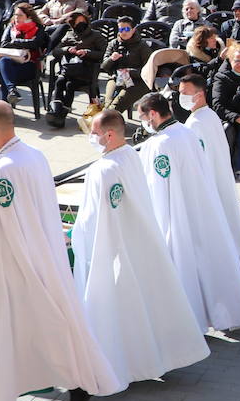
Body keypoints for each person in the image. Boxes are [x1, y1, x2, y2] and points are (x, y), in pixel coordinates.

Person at [0, 101, 124, 401]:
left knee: (7, 333)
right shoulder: (33, 155)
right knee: (44, 327)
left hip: (12, 267)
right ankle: (76, 381)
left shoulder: (4, 170)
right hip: (40, 257)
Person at [74, 110, 211, 384]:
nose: (90, 137)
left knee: (119, 310)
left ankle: (124, 364)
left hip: (114, 248)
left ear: (109, 135)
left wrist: (74, 237)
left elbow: (92, 217)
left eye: (94, 133)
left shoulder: (102, 170)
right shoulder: (130, 156)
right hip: (141, 241)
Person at [135, 96, 240, 333]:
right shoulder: (187, 132)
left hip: (175, 214)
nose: (142, 122)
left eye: (142, 116)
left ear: (152, 114)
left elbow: (156, 188)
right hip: (202, 208)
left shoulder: (158, 145)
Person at [180, 73, 240, 275]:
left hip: (207, 184)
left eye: (185, 93)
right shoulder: (210, 115)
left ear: (199, 94)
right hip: (218, 178)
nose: (181, 97)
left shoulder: (195, 123)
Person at [101, 17, 152, 115]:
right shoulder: (113, 43)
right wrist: (111, 59)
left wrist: (130, 71)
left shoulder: (142, 45)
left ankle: (105, 123)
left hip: (137, 81)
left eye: (127, 29)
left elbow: (149, 69)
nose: (123, 32)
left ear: (133, 30)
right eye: (121, 29)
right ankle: (106, 123)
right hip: (116, 78)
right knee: (108, 104)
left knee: (116, 105)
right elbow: (104, 67)